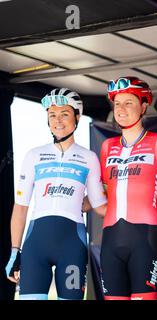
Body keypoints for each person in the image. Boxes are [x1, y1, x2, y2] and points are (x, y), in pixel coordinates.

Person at [5, 88, 107, 300]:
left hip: (72, 245)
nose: (57, 121)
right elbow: (21, 206)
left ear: (77, 117)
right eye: (52, 115)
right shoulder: (34, 155)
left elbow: (98, 205)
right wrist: (15, 251)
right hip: (35, 246)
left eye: (64, 114)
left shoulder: (89, 158)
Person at [100, 76, 157, 300]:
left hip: (145, 239)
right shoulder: (107, 146)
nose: (121, 109)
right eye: (117, 103)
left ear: (144, 106)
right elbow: (102, 193)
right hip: (110, 239)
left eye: (128, 102)